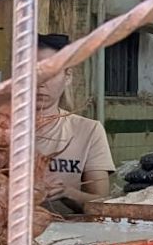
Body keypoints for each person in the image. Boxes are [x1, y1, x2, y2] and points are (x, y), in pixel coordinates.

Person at [35, 35, 114, 202]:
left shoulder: (89, 130)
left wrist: (67, 192)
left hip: (67, 226)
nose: (40, 83)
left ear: (68, 76)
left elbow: (101, 202)